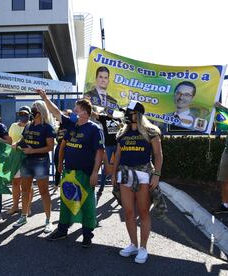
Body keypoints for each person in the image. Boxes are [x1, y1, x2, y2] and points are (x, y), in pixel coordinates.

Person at [37, 89, 104, 248]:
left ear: (85, 113)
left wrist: (95, 172)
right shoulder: (71, 124)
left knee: (87, 206)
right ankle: (62, 230)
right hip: (69, 172)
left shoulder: (94, 129)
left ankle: (87, 235)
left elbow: (100, 153)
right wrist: (45, 98)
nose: (73, 112)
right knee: (67, 202)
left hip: (85, 174)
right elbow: (55, 111)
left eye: (77, 110)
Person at [112, 100, 163, 264]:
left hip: (143, 175)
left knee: (143, 212)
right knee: (128, 212)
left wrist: (156, 175)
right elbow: (118, 156)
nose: (127, 115)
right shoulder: (122, 133)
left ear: (138, 114)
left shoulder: (151, 132)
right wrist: (113, 174)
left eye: (130, 112)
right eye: (126, 112)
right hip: (125, 174)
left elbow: (158, 155)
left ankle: (143, 247)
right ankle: (133, 244)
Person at [12, 100, 56, 233]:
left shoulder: (47, 127)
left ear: (41, 111)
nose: (32, 111)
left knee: (43, 192)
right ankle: (23, 216)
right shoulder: (28, 125)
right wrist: (17, 144)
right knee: (25, 190)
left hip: (40, 162)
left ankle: (48, 220)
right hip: (26, 161)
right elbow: (24, 139)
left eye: (34, 108)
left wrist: (33, 151)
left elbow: (50, 147)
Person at [7, 106, 33, 215]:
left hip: (27, 157)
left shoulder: (32, 126)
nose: (23, 116)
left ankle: (27, 207)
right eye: (21, 114)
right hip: (15, 157)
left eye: (25, 114)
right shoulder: (13, 126)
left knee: (27, 184)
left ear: (29, 115)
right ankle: (15, 206)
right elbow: (9, 140)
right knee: (15, 183)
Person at [92, 110, 122, 198]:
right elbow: (94, 114)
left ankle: (117, 188)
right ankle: (101, 188)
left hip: (118, 145)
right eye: (109, 110)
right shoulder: (104, 118)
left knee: (119, 167)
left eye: (112, 110)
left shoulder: (119, 119)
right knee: (106, 167)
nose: (110, 112)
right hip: (108, 146)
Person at [54, 109, 72, 188]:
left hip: (68, 147)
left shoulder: (70, 126)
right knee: (57, 165)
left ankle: (67, 183)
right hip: (58, 147)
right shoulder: (59, 127)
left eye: (65, 115)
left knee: (68, 167)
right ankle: (56, 183)